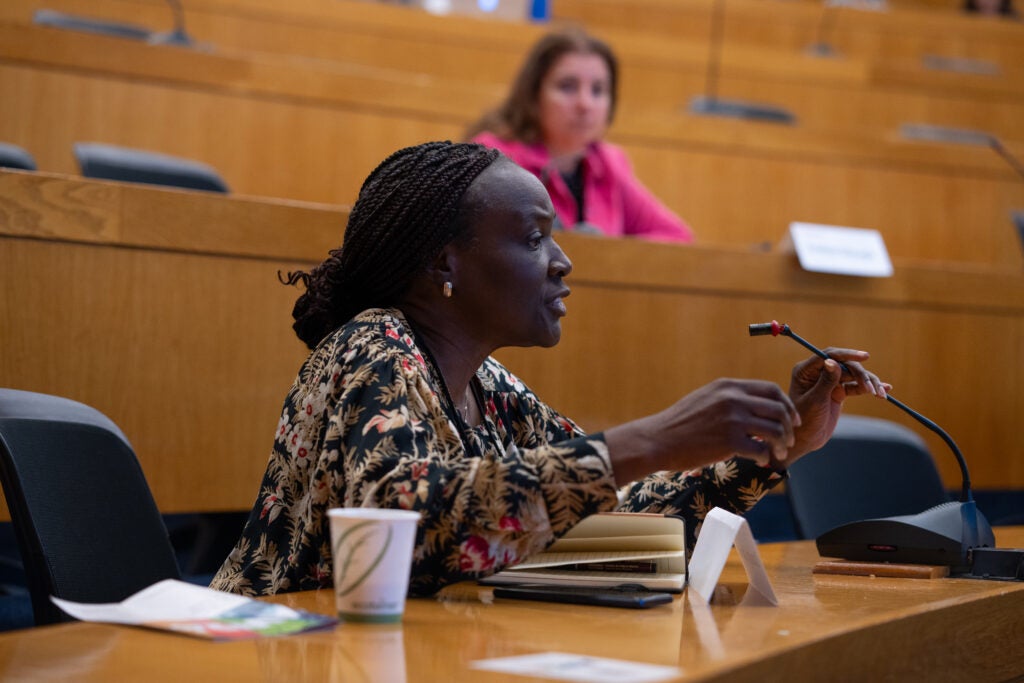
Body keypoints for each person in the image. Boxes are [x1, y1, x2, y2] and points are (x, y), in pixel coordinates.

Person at [210, 141, 889, 598]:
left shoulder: (493, 389)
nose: (562, 260)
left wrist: (773, 446)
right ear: (445, 263)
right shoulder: (373, 345)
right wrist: (650, 440)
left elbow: (604, 522)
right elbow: (400, 521)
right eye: (534, 238)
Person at [466, 28, 695, 243]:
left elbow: (677, 237)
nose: (585, 104)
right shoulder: (494, 157)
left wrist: (611, 255)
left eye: (597, 90)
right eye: (567, 87)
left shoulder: (609, 163)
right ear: (534, 95)